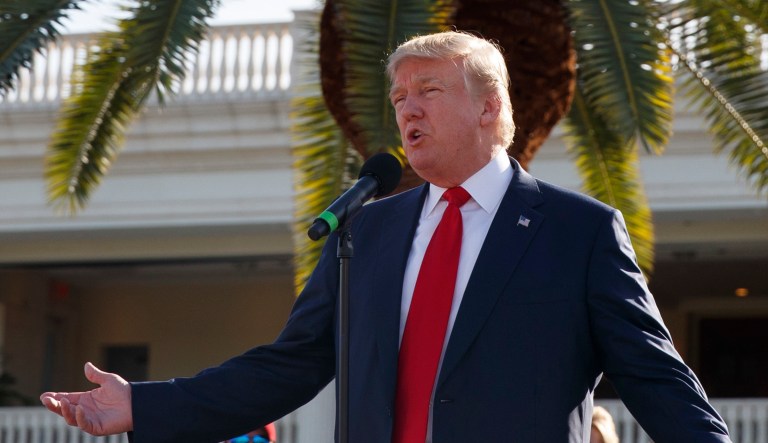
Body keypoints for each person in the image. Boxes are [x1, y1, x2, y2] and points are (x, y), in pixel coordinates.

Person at [40, 30, 731, 442]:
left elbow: (656, 379)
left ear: (489, 106)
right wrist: (143, 404)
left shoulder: (577, 233)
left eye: (427, 89)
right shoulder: (367, 230)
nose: (406, 108)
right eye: (398, 97)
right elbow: (289, 365)